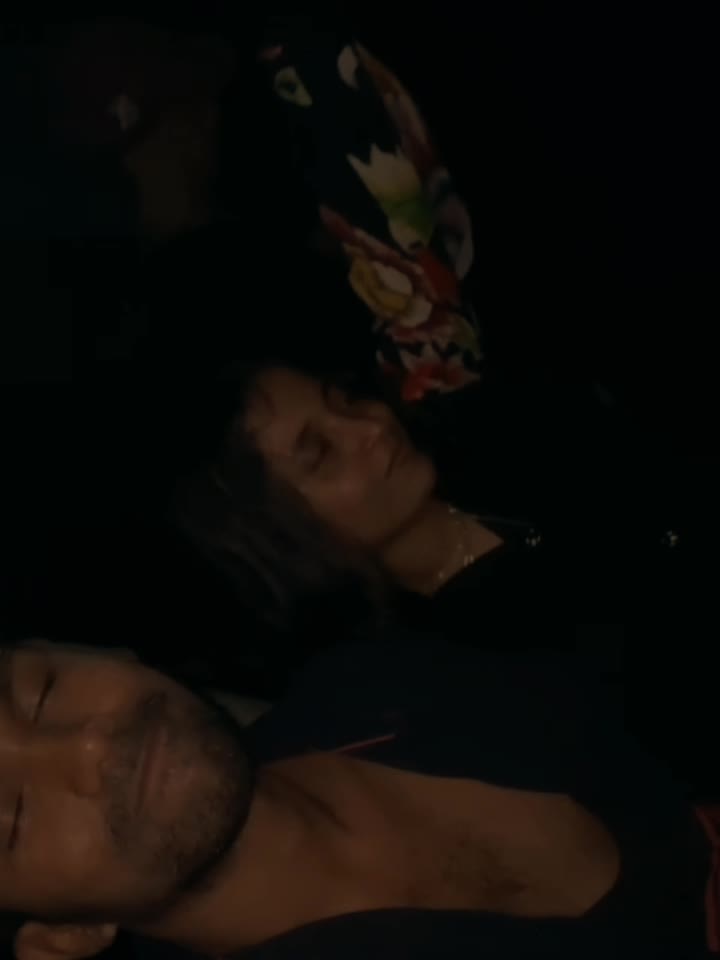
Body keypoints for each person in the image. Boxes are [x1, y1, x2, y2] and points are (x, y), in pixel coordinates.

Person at [2, 638, 718, 959]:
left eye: (42, 690)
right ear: (62, 938)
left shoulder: (376, 680)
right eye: (13, 817)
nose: (89, 746)